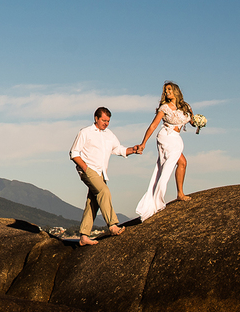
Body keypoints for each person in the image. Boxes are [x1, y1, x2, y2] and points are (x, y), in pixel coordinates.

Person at [69, 107, 142, 245]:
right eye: (104, 120)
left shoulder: (109, 134)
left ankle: (84, 236)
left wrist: (133, 149)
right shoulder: (85, 132)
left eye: (108, 121)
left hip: (101, 173)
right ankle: (113, 225)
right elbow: (74, 153)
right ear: (96, 118)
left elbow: (118, 148)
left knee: (93, 201)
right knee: (104, 191)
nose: (106, 123)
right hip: (89, 170)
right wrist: (85, 168)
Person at [134, 81, 193, 221]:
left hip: (176, 137)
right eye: (165, 90)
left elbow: (192, 121)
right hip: (166, 136)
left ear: (176, 91)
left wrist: (199, 122)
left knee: (182, 163)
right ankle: (170, 195)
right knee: (174, 163)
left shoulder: (186, 107)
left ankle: (180, 193)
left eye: (169, 89)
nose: (167, 92)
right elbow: (153, 125)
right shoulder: (164, 107)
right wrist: (143, 143)